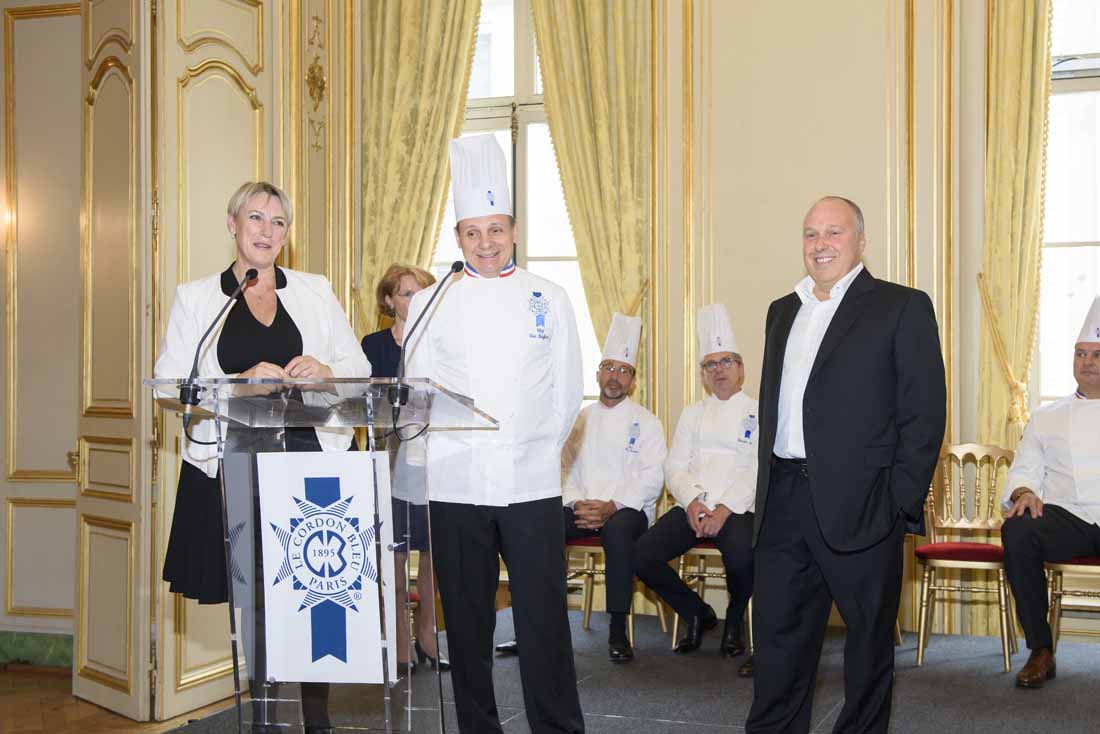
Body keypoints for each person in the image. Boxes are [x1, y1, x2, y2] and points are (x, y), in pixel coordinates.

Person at [155, 181, 370, 734]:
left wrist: (326, 371)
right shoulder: (199, 297)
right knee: (255, 597)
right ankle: (266, 713)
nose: (267, 232)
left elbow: (360, 371)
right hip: (234, 463)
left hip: (309, 457)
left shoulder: (314, 291)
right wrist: (236, 382)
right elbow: (167, 384)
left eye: (278, 223)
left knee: (314, 588)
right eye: (255, 219)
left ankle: (317, 717)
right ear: (232, 225)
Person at [404, 134, 585, 734]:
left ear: (513, 229)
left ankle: (557, 727)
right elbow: (415, 388)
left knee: (542, 621)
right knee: (468, 619)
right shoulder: (431, 301)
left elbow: (565, 395)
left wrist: (532, 448)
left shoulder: (549, 297)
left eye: (496, 229)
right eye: (473, 232)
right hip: (456, 482)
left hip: (530, 482)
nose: (486, 243)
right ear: (458, 237)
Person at [746, 196, 945, 734]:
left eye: (834, 233)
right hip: (784, 501)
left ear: (860, 241)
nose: (821, 245)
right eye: (811, 234)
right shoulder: (780, 310)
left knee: (866, 650)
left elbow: (924, 415)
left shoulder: (901, 306)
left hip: (865, 506)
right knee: (778, 644)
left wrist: (897, 501)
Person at [633, 304, 757, 675]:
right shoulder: (692, 413)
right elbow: (674, 465)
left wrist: (725, 508)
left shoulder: (758, 410)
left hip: (738, 508)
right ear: (703, 373)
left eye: (726, 362)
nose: (719, 370)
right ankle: (696, 612)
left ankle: (734, 621)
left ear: (741, 369)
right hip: (695, 504)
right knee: (641, 555)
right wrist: (694, 502)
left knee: (743, 555)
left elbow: (756, 469)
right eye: (711, 364)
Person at [1001, 296, 1100, 689]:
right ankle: (1040, 649)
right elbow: (1024, 468)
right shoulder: (1047, 416)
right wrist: (1024, 492)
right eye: (1080, 354)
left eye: (1096, 354)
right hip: (1069, 519)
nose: (1087, 362)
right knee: (1018, 529)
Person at [561, 312, 666, 663]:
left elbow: (652, 477)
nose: (614, 376)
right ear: (598, 373)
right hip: (582, 507)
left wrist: (612, 506)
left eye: (623, 370)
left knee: (619, 533)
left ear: (632, 380)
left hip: (627, 511)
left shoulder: (648, 422)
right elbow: (564, 468)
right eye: (609, 367)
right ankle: (538, 624)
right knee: (538, 526)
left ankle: (618, 628)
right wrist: (577, 503)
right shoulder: (580, 419)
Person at [360, 264, 449, 673]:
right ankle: (398, 644)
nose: (413, 301)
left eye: (421, 293)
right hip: (390, 461)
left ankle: (428, 637)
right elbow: (363, 401)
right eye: (406, 293)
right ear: (388, 300)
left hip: (436, 462)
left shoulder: (441, 342)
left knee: (433, 556)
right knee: (393, 559)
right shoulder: (373, 345)